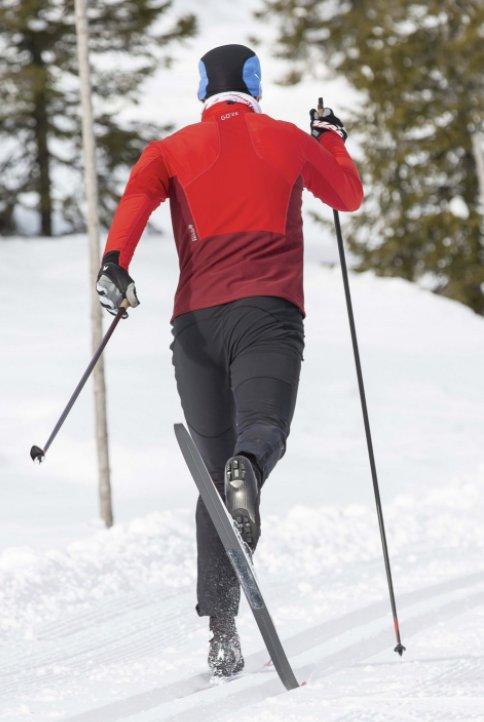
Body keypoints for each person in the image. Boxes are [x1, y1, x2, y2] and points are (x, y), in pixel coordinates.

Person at [96, 43, 363, 678]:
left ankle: (221, 631)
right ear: (254, 84)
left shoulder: (168, 150)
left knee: (214, 482)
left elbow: (135, 201)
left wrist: (114, 265)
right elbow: (346, 196)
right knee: (261, 434)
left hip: (193, 327)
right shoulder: (288, 140)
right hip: (265, 314)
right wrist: (329, 140)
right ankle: (250, 468)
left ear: (200, 88)